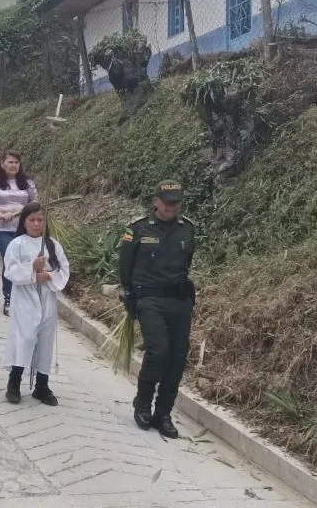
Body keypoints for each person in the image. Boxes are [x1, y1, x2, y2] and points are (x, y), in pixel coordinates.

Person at [120, 180, 196, 439]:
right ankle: (142, 403)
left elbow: (187, 263)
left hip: (178, 301)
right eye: (166, 202)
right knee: (158, 351)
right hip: (148, 298)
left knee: (177, 357)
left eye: (175, 203)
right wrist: (130, 296)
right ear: (156, 202)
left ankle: (163, 412)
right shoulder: (138, 230)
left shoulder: (188, 229)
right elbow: (125, 267)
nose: (170, 207)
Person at [2, 202, 70, 406]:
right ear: (24, 222)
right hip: (25, 298)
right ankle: (14, 382)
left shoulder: (52, 245)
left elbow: (64, 269)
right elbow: (10, 270)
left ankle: (42, 384)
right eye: (32, 220)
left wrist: (48, 275)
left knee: (45, 340)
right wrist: (32, 269)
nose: (37, 223)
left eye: (40, 220)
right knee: (24, 338)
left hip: (46, 298)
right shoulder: (17, 245)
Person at [0, 151, 38, 316]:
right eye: (10, 162)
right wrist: (0, 215)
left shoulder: (26, 183)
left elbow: (35, 202)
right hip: (3, 230)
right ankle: (9, 298)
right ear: (2, 163)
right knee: (10, 261)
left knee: (26, 262)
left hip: (24, 230)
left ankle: (24, 298)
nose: (13, 165)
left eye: (16, 163)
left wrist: (27, 213)